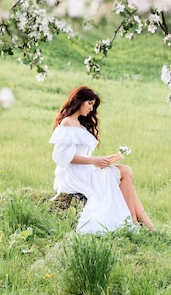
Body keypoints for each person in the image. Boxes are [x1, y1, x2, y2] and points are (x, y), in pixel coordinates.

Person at [49, 85, 155, 234]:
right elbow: (65, 157)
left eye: (93, 105)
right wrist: (95, 161)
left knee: (126, 176)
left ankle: (147, 227)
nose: (91, 109)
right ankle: (134, 223)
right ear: (79, 101)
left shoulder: (80, 124)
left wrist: (105, 160)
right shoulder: (68, 123)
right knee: (125, 172)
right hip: (75, 175)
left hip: (86, 169)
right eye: (89, 103)